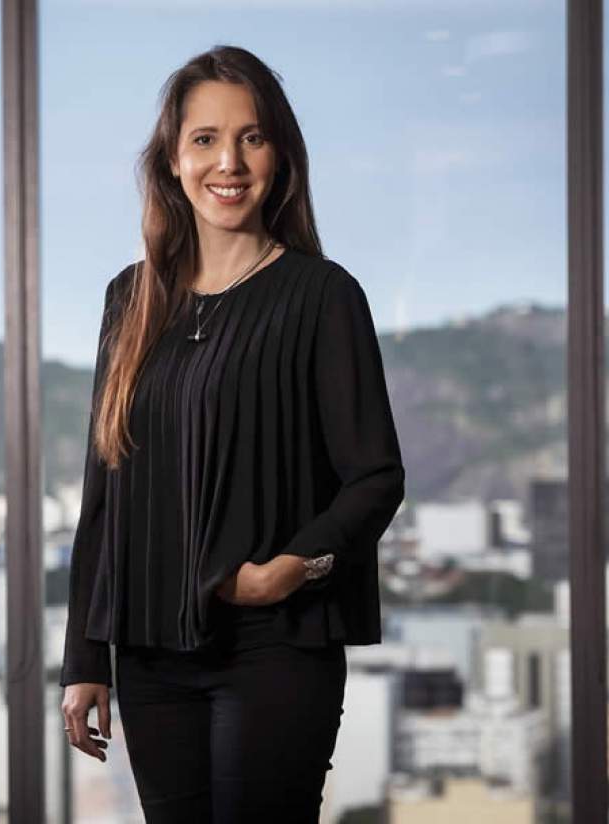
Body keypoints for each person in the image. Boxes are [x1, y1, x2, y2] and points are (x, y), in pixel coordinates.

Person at [58, 44, 406, 823]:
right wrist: (85, 658)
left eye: (252, 138)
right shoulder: (129, 300)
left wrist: (286, 571)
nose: (230, 162)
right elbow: (104, 495)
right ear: (173, 160)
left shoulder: (322, 296)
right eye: (206, 139)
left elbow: (377, 477)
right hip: (148, 655)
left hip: (274, 648)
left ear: (280, 158)